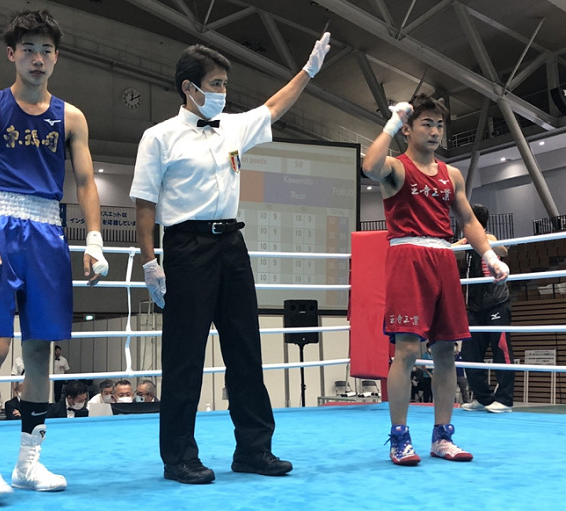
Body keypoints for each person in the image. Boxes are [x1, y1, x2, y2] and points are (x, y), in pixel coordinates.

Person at [130, 31, 331, 484]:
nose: (224, 92)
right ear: (190, 87)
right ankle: (179, 456)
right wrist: (149, 262)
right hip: (186, 247)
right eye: (216, 84)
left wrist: (308, 71)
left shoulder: (234, 127)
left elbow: (274, 106)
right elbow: (144, 204)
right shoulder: (158, 137)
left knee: (245, 349)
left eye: (225, 84)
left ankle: (254, 449)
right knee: (184, 355)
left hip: (232, 245)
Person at [0, 9, 109, 503]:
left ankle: (28, 464)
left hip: (47, 234)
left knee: (41, 350)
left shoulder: (72, 117)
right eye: (28, 50)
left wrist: (95, 239)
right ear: (11, 54)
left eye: (46, 50)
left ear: (56, 57)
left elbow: (85, 181)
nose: (37, 58)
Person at [361, 94, 509, 466]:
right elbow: (369, 166)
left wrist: (489, 255)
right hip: (408, 257)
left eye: (439, 125)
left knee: (445, 352)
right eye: (426, 123)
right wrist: (392, 122)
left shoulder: (451, 174)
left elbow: (468, 220)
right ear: (408, 129)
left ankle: (443, 436)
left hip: (443, 258)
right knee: (408, 350)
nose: (435, 131)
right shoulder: (396, 167)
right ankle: (399, 438)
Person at [459, 204, 514, 413]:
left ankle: (505, 400)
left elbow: (503, 250)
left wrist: (482, 241)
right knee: (469, 353)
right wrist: (463, 242)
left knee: (501, 350)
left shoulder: (488, 238)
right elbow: (449, 251)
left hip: (496, 302)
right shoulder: (466, 242)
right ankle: (483, 398)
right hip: (474, 306)